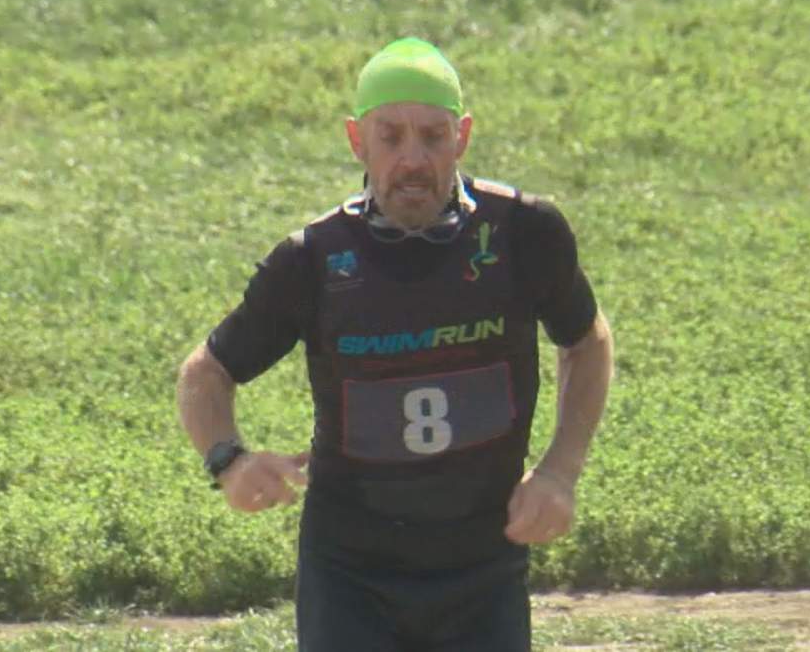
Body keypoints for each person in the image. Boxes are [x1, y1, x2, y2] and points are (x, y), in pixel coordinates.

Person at [176, 37, 614, 652]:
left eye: (433, 137)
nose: (413, 159)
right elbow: (206, 373)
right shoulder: (314, 259)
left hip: (484, 566)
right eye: (391, 137)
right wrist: (229, 460)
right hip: (350, 574)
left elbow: (587, 341)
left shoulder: (523, 234)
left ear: (461, 137)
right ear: (357, 140)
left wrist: (560, 471)